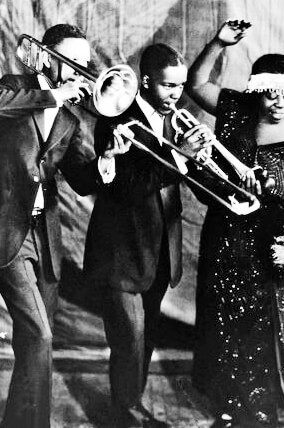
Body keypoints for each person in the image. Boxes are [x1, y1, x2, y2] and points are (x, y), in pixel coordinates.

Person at [185, 21, 284, 428]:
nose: (280, 103)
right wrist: (218, 43)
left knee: (273, 333)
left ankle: (272, 416)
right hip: (228, 242)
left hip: (274, 250)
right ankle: (230, 409)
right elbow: (196, 84)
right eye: (270, 94)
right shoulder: (234, 109)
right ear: (255, 92)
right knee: (227, 326)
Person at [83, 43, 212, 428]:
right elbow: (126, 187)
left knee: (146, 337)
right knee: (130, 338)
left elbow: (190, 181)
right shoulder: (115, 118)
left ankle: (130, 407)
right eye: (168, 86)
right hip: (121, 250)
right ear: (145, 82)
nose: (177, 94)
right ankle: (127, 415)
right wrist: (181, 157)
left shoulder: (177, 120)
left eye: (181, 86)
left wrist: (205, 161)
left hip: (160, 250)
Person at [0, 23, 115, 428]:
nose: (80, 69)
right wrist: (55, 94)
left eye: (84, 62)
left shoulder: (69, 119)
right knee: (41, 336)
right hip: (7, 231)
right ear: (47, 56)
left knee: (34, 341)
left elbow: (82, 180)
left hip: (45, 236)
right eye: (71, 60)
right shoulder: (14, 86)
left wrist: (106, 161)